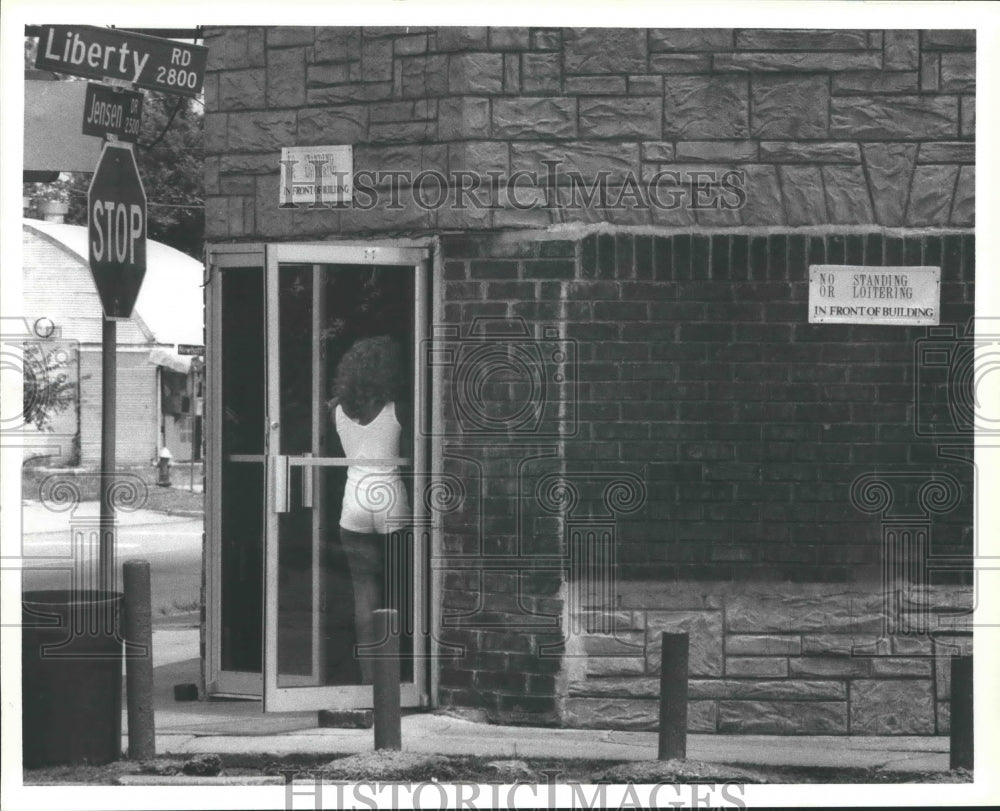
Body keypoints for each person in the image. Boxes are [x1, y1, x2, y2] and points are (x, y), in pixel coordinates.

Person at [329, 336, 410, 684]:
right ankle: (398, 676)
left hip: (355, 502)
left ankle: (369, 679)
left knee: (364, 594)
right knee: (399, 592)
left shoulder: (336, 410)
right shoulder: (399, 409)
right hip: (391, 500)